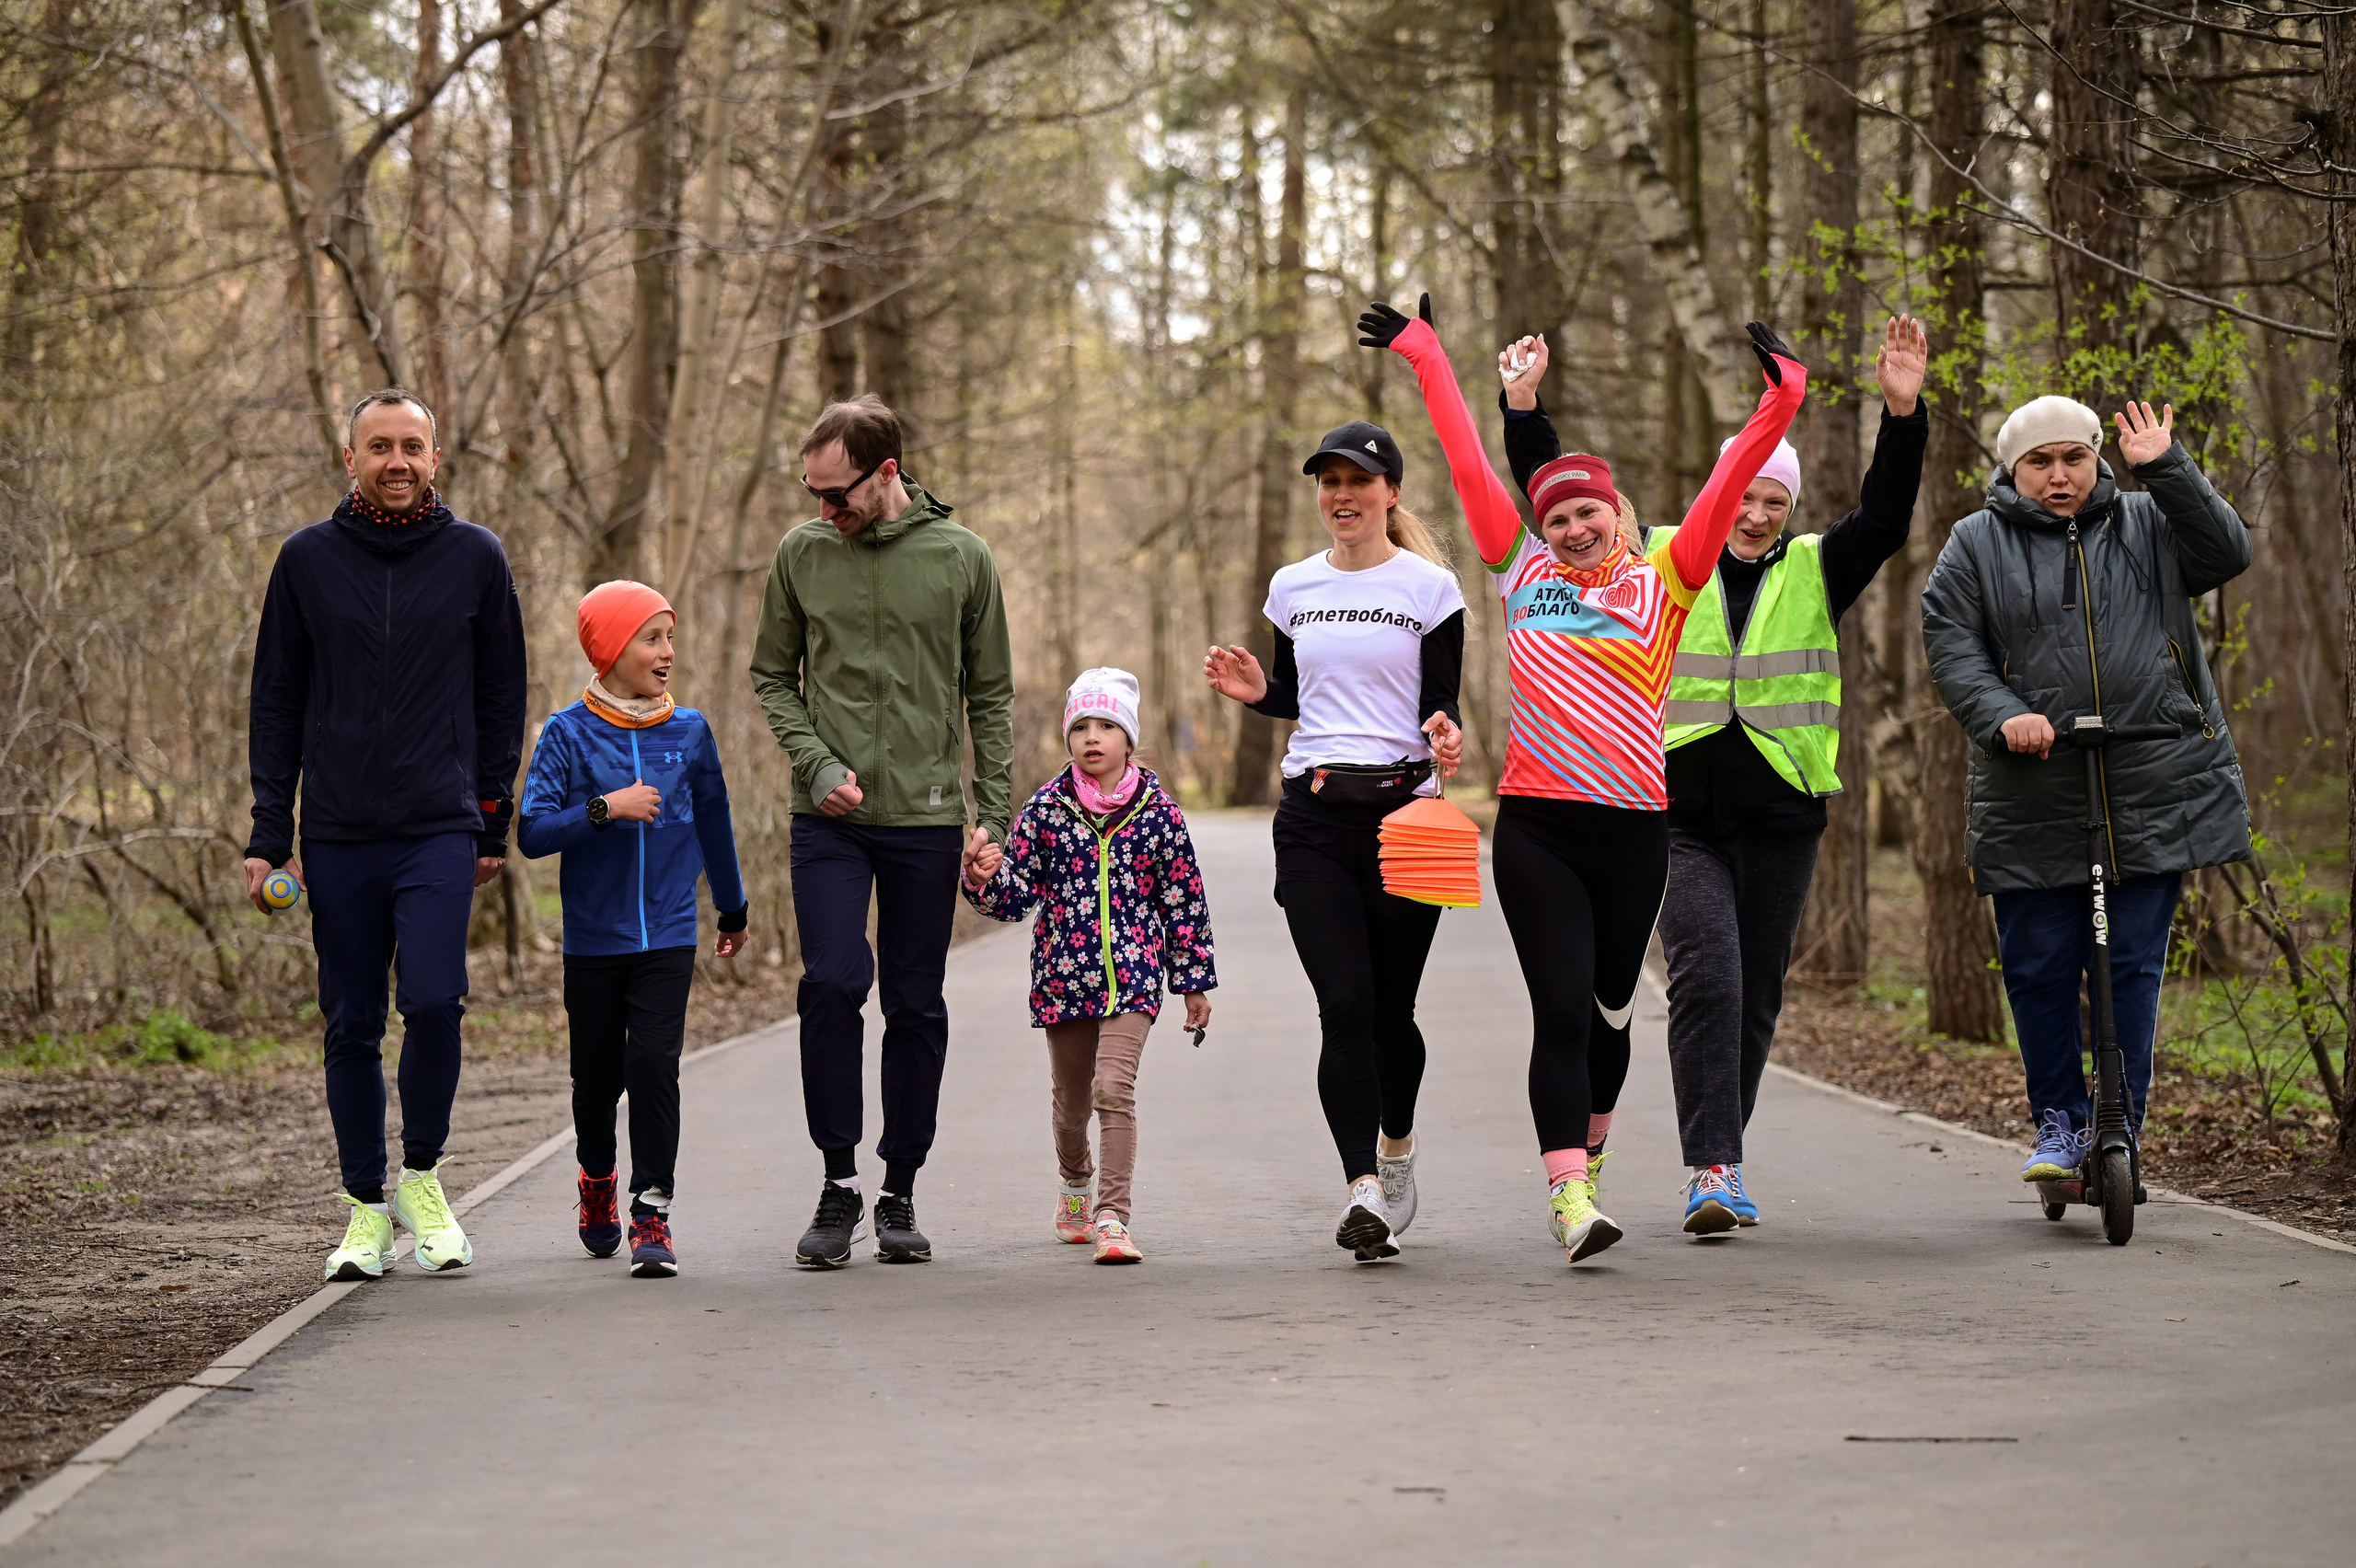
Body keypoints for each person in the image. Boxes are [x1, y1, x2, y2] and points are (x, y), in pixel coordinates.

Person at [1363, 294, 1805, 1263]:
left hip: (1634, 832)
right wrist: (1426, 353)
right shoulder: (1521, 571)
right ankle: (1569, 1194)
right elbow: (1471, 461)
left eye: (1585, 512)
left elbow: (1733, 477)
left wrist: (1783, 401)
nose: (1569, 527)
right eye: (1555, 515)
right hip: (1537, 828)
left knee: (1610, 1017)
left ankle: (1590, 1155)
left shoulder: (1668, 577)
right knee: (1560, 1009)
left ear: (1619, 516)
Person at [1495, 318, 1930, 1235]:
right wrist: (1522, 406)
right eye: (1748, 495)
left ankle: (1720, 1152)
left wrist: (1902, 414)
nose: (1758, 513)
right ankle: (1710, 1168)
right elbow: (1560, 499)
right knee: (1709, 974)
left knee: (1757, 993)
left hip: (1783, 813)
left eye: (1775, 500)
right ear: (1722, 497)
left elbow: (1886, 519)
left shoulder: (1817, 569)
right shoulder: (1657, 558)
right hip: (1672, 810)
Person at [1923, 394, 2251, 1188]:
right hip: (2031, 787)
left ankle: (2119, 1130)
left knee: (2133, 966)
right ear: (2012, 468)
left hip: (2153, 777)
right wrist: (2004, 717)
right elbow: (1951, 641)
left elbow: (2226, 554)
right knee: (2037, 965)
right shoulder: (1975, 542)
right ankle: (2062, 1123)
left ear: (2099, 457)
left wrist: (2168, 468)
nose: (2059, 476)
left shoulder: (2147, 521)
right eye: (2040, 462)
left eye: (2074, 458)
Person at [244, 387, 527, 1283]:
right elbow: (277, 701)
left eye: (412, 446)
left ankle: (423, 1181)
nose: (396, 461)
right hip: (335, 833)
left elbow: (501, 696)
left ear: (435, 460)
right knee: (352, 1023)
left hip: (439, 825)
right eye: (379, 447)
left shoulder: (477, 557)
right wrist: (267, 831)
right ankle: (365, 1210)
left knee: (436, 1001)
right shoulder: (307, 562)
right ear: (351, 458)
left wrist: (492, 816)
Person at [750, 395, 1015, 1268]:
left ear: (888, 472)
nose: (824, 510)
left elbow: (990, 695)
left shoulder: (962, 557)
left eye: (839, 494)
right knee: (830, 983)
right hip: (829, 816)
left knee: (915, 1002)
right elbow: (773, 679)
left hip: (928, 816)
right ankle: (838, 1183)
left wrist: (994, 815)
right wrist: (818, 766)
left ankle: (899, 1187)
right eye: (812, 493)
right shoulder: (802, 554)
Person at [1205, 419, 1465, 1262]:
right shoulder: (1294, 586)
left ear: (1391, 493)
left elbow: (1441, 705)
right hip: (1313, 819)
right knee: (1344, 1005)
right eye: (1328, 482)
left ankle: (1395, 1149)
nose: (1341, 496)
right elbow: (1302, 696)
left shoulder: (1430, 588)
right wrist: (1259, 693)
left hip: (1405, 821)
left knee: (1394, 1012)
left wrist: (1446, 733)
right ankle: (1360, 1188)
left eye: (1357, 482)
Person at [516, 581, 750, 1278]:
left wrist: (733, 907)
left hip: (669, 935)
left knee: (653, 1065)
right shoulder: (566, 733)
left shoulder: (691, 731)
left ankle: (652, 1215)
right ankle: (596, 1181)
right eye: (652, 638)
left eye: (669, 637)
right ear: (611, 648)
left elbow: (714, 820)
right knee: (594, 1082)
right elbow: (531, 833)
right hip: (593, 939)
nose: (667, 652)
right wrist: (604, 808)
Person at [961, 668, 1217, 1264]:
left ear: (1129, 739)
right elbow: (1018, 894)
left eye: (1106, 726)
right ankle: (1075, 1182)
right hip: (1063, 976)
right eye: (1081, 727)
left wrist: (1193, 981)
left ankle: (1112, 1218)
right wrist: (983, 879)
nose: (1092, 737)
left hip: (1133, 977)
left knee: (1112, 1088)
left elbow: (1182, 900)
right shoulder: (1047, 809)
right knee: (1072, 1102)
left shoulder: (1159, 814)